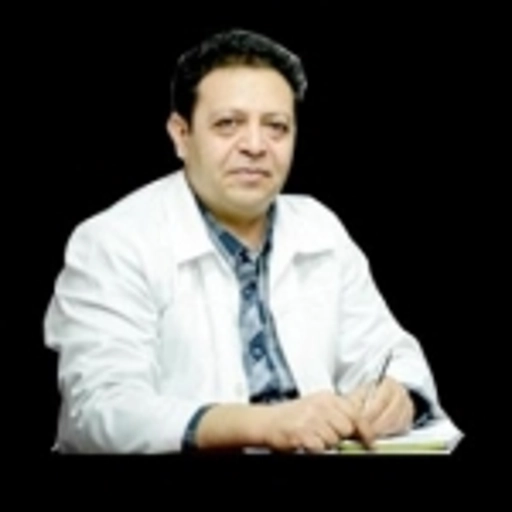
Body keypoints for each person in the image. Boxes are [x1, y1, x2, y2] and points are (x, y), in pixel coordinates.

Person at [44, 28, 446, 454]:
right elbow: (101, 410)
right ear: (181, 134)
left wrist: (399, 396)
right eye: (228, 124)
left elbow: (388, 352)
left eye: (276, 127)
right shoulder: (113, 240)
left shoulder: (319, 226)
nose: (255, 146)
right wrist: (262, 424)